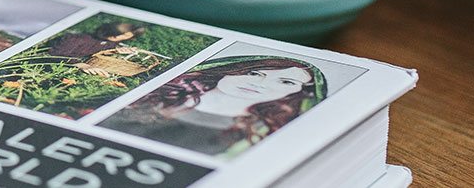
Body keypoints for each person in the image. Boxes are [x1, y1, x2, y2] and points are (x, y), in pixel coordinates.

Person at [102, 56, 328, 158]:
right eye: (254, 72)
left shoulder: (262, 131)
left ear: (297, 92)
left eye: (286, 82)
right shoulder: (160, 93)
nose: (257, 82)